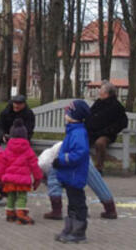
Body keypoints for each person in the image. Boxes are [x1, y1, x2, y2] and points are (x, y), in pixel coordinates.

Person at [0, 95, 35, 204]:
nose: (16, 106)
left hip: (20, 141)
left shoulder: (28, 114)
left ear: (24, 104)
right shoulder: (6, 112)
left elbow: (29, 130)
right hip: (4, 140)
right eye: (15, 103)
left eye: (19, 104)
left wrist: (15, 139)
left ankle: (3, 191)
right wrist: (3, 135)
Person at [41, 141, 118, 220]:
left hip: (63, 156)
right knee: (96, 181)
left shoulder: (43, 164)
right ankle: (110, 209)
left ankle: (56, 211)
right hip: (79, 153)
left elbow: (50, 176)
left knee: (54, 182)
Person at [52, 100, 90, 244]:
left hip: (75, 175)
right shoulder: (73, 130)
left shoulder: (78, 132)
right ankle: (70, 228)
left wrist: (61, 160)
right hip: (69, 175)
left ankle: (79, 231)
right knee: (72, 203)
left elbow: (79, 153)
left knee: (77, 203)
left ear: (74, 115)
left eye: (67, 112)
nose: (65, 115)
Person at [0, 119, 43, 225]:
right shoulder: (28, 150)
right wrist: (38, 178)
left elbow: (2, 165)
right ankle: (21, 213)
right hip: (23, 179)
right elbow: (34, 165)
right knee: (22, 196)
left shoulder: (7, 150)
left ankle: (10, 212)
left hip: (9, 179)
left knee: (11, 195)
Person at [84, 81, 128, 174]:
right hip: (93, 132)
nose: (99, 92)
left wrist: (109, 130)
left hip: (107, 134)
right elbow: (89, 115)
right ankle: (81, 165)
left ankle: (98, 169)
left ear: (107, 93)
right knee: (80, 139)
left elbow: (122, 123)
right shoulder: (98, 103)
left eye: (101, 90)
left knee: (100, 143)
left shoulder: (116, 106)